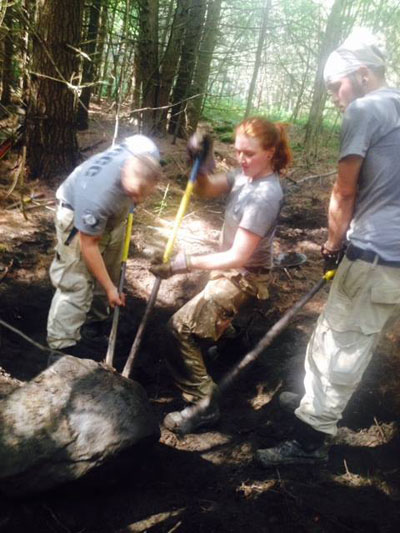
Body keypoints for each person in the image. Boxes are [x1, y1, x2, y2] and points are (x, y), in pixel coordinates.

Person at [256, 30, 400, 467]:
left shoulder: (366, 107)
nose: (336, 99)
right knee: (333, 329)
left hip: (376, 254)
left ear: (361, 75)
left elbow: (344, 190)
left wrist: (333, 242)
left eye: (335, 87)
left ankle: (310, 441)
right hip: (388, 252)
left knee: (344, 343)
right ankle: (312, 404)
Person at [151, 117, 292, 433]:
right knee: (207, 319)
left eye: (250, 153)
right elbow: (205, 188)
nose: (242, 159)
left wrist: (181, 264)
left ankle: (203, 406)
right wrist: (199, 162)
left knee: (180, 329)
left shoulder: (265, 195)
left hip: (244, 276)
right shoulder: (245, 177)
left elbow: (238, 256)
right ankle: (231, 342)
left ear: (270, 152)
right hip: (230, 269)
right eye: (238, 151)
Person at [47, 134, 161, 356]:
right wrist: (110, 288)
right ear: (124, 174)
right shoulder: (97, 198)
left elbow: (139, 142)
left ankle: (93, 325)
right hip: (76, 216)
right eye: (133, 193)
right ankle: (61, 348)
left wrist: (108, 284)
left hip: (112, 216)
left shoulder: (147, 149)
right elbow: (89, 246)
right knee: (76, 282)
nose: (137, 200)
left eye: (142, 195)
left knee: (109, 270)